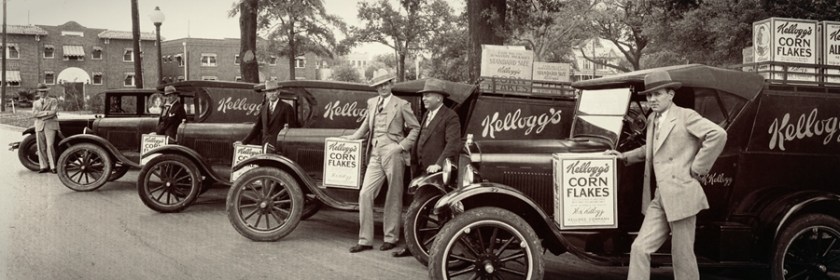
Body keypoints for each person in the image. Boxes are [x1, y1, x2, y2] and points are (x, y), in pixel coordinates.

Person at [604, 70, 727, 280]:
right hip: (660, 197)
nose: (652, 99)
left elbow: (718, 134)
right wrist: (623, 156)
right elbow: (649, 150)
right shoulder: (653, 119)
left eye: (657, 94)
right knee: (639, 248)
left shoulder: (686, 116)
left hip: (682, 195)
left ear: (671, 94)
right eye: (649, 96)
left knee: (682, 256)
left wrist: (698, 169)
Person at [344, 74, 420, 253]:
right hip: (375, 153)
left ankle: (390, 237)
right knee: (365, 193)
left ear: (391, 84)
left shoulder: (402, 104)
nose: (382, 88)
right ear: (376, 88)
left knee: (394, 195)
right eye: (379, 86)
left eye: (385, 84)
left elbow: (415, 128)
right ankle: (365, 240)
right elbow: (366, 126)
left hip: (393, 153)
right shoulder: (372, 103)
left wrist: (401, 146)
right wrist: (353, 137)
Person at [392, 78, 461, 258]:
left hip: (438, 174)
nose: (424, 98)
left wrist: (438, 164)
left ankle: (443, 251)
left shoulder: (450, 116)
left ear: (439, 97)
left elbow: (453, 144)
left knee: (441, 212)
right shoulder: (427, 115)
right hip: (421, 171)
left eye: (428, 95)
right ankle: (414, 247)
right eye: (423, 96)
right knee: (418, 210)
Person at [239, 80, 299, 146]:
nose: (272, 94)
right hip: (265, 145)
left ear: (278, 92)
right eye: (269, 91)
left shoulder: (286, 107)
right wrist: (243, 142)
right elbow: (257, 127)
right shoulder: (263, 108)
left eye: (274, 91)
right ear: (266, 94)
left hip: (279, 147)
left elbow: (291, 130)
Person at [32, 83, 60, 173]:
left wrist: (41, 114)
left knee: (50, 145)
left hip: (50, 125)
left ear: (47, 92)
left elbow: (53, 112)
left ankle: (53, 167)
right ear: (38, 93)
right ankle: (43, 166)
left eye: (44, 92)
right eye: (41, 92)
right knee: (41, 147)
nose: (43, 93)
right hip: (39, 125)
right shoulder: (35, 103)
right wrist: (47, 113)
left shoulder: (53, 100)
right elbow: (34, 114)